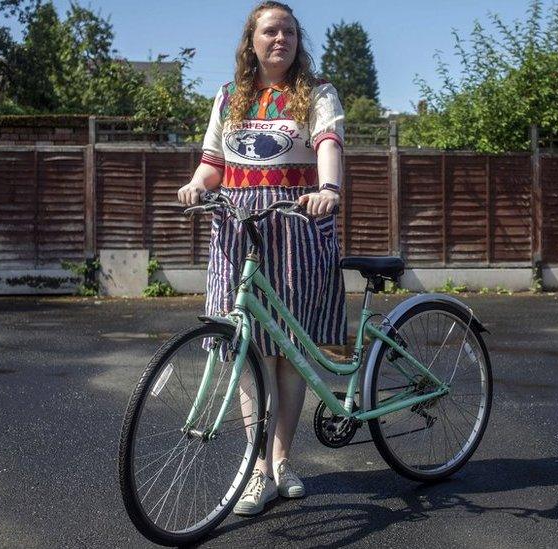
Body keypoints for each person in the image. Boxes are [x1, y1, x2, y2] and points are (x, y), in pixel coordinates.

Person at [176, 1, 346, 516]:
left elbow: (328, 144)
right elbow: (212, 164)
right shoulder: (228, 97)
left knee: (289, 351)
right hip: (236, 226)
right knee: (247, 350)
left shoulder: (316, 94)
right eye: (270, 31)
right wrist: (193, 185)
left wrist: (329, 188)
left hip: (296, 222)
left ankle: (281, 461)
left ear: (298, 41)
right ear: (251, 41)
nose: (281, 39)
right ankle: (255, 470)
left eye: (289, 31)